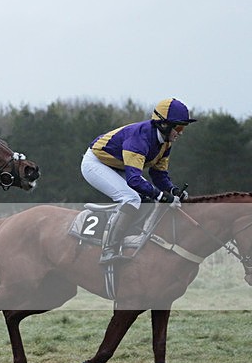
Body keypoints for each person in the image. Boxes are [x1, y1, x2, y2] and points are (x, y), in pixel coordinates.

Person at [81, 98, 197, 264]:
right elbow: (134, 180)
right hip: (96, 163)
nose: (181, 132)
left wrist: (172, 190)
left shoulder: (165, 142)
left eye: (183, 127)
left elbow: (158, 174)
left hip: (118, 165)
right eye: (178, 127)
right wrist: (162, 196)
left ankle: (130, 239)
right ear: (164, 124)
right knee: (132, 198)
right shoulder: (139, 139)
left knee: (145, 199)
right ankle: (109, 250)